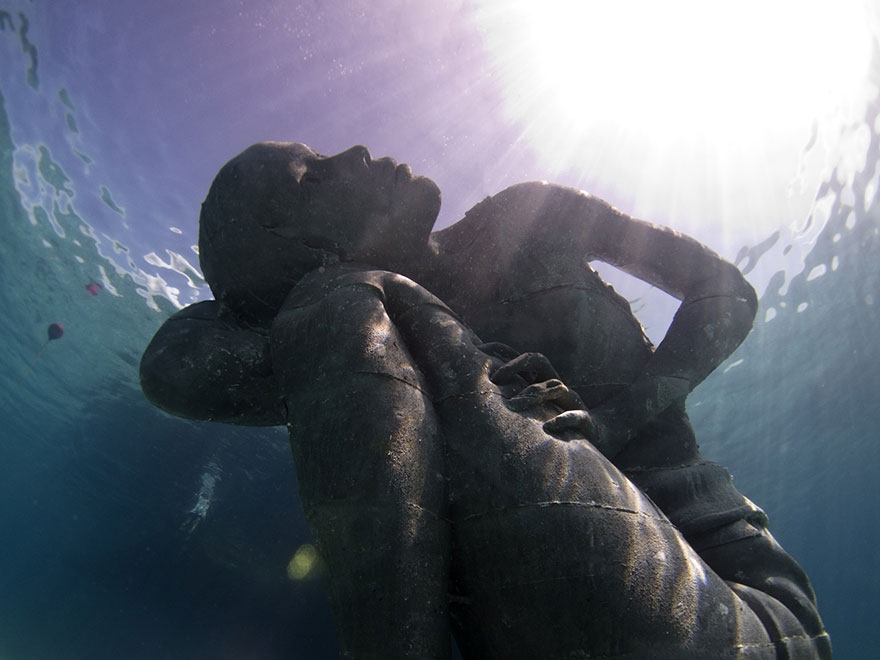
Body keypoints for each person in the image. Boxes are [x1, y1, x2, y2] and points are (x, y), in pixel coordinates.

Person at [140, 142, 831, 659]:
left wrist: (618, 418)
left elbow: (725, 292)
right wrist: (307, 295)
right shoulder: (353, 328)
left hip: (732, 589)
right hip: (554, 613)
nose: (352, 149)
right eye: (314, 176)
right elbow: (172, 366)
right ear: (312, 249)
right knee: (339, 307)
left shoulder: (528, 216)